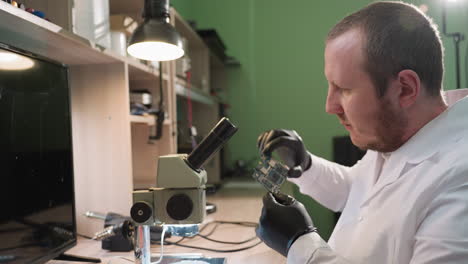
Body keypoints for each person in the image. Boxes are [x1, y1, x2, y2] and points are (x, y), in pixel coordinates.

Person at [255, 1, 468, 263]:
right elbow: (354, 190)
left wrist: (301, 245)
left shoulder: (460, 180)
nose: (329, 106)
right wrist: (306, 165)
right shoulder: (395, 138)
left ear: (405, 89)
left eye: (343, 89)